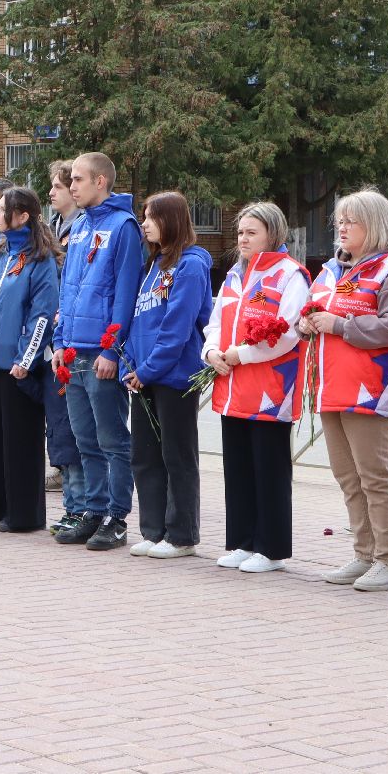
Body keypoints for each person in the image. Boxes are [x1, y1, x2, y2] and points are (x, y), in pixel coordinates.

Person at [300, 188, 388, 593]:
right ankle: (363, 554)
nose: (342, 228)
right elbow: (314, 310)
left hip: (368, 388)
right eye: (339, 221)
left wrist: (341, 326)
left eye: (351, 221)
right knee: (348, 477)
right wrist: (307, 324)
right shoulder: (332, 269)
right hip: (330, 385)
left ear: (376, 225)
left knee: (375, 477)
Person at [202, 202, 310, 573]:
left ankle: (272, 547)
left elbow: (288, 332)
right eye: (241, 232)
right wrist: (211, 350)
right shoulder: (235, 273)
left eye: (252, 232)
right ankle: (242, 541)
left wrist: (240, 355)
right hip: (232, 385)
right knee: (239, 467)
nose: (243, 239)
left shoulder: (289, 275)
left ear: (273, 234)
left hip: (268, 389)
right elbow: (217, 320)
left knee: (269, 468)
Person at [53, 153, 141, 550]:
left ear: (101, 181)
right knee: (84, 439)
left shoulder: (123, 227)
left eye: (77, 179)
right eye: (70, 180)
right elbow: (67, 290)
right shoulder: (82, 224)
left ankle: (117, 517)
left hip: (101, 354)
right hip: (73, 352)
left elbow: (125, 295)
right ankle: (93, 509)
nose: (71, 186)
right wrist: (60, 343)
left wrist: (113, 349)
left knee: (111, 440)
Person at [0, 186, 59, 532]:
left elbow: (42, 314)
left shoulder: (40, 259)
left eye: (3, 210)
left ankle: (23, 514)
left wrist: (26, 358)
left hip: (19, 367)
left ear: (23, 216)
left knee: (20, 441)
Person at [122, 192, 214, 558]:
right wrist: (131, 364)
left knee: (177, 456)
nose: (144, 224)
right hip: (142, 376)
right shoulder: (154, 264)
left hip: (173, 376)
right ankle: (153, 529)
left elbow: (177, 327)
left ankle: (181, 536)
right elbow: (136, 319)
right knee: (145, 456)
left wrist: (146, 369)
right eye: (144, 216)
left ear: (171, 220)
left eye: (151, 217)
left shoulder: (191, 265)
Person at [43, 159, 86, 534]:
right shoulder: (54, 228)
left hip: (77, 338)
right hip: (56, 336)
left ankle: (84, 502)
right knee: (59, 424)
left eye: (58, 186)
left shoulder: (85, 230)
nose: (52, 193)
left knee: (79, 428)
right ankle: (73, 500)